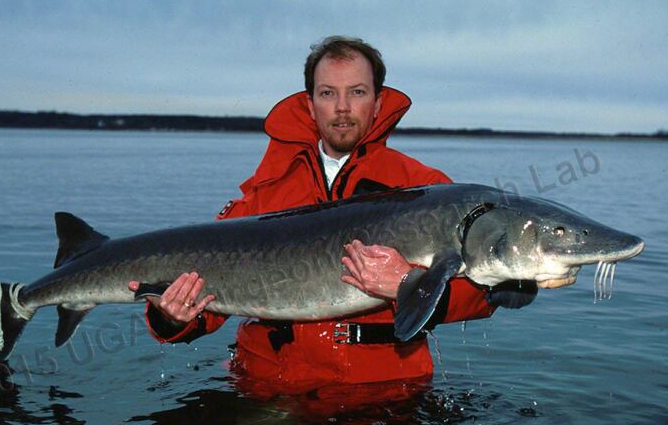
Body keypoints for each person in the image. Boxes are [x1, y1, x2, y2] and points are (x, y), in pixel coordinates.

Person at [129, 36, 496, 393]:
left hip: (385, 387)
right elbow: (211, 303)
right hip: (269, 385)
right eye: (327, 93)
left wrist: (407, 281)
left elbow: (489, 290)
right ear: (309, 103)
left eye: (357, 92)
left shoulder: (425, 191)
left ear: (379, 102)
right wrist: (170, 315)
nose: (341, 107)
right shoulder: (263, 194)